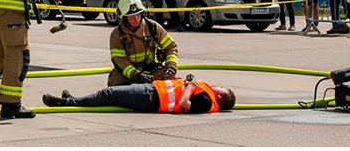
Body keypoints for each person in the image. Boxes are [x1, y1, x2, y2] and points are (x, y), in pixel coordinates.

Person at [41, 75, 236, 114]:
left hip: (151, 98)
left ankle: (65, 102)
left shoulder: (206, 100)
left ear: (221, 97)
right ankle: (72, 99)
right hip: (152, 90)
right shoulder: (206, 94)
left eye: (222, 89)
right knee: (108, 94)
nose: (219, 86)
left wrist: (190, 85)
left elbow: (185, 104)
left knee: (107, 93)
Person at [107, 0, 179, 86]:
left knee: (169, 85)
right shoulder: (117, 34)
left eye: (138, 14)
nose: (136, 19)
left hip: (152, 70)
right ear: (124, 18)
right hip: (129, 73)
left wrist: (171, 67)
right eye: (131, 16)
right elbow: (120, 60)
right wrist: (136, 75)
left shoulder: (153, 27)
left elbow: (171, 48)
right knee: (116, 84)